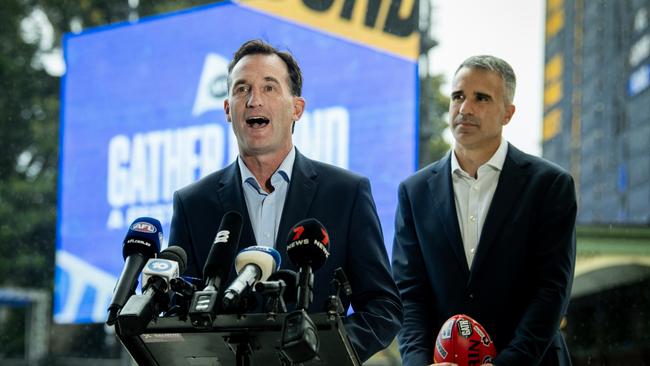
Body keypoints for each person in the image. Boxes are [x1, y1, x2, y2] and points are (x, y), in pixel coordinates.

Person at [169, 39, 402, 362]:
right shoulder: (192, 203)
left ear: (297, 108)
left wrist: (326, 355)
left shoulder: (346, 193)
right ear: (227, 110)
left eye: (269, 88)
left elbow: (382, 307)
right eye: (241, 89)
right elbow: (176, 311)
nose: (253, 101)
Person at [392, 55, 576, 366]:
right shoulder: (414, 192)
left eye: (481, 98)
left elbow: (551, 290)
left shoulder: (549, 185)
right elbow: (409, 295)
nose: (465, 109)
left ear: (508, 113)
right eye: (458, 96)